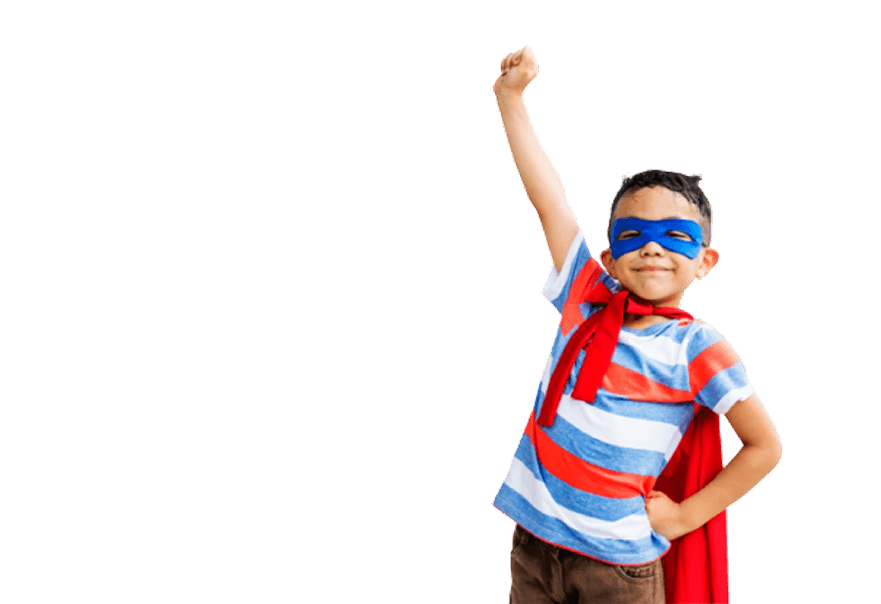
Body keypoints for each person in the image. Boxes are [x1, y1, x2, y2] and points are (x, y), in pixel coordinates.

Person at [490, 46, 783, 604]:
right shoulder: (586, 296)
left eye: (675, 236)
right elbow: (549, 202)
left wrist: (683, 516)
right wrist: (511, 101)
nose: (651, 247)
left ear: (704, 260)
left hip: (617, 566)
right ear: (607, 257)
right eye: (633, 235)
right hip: (533, 540)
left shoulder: (698, 347)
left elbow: (764, 446)